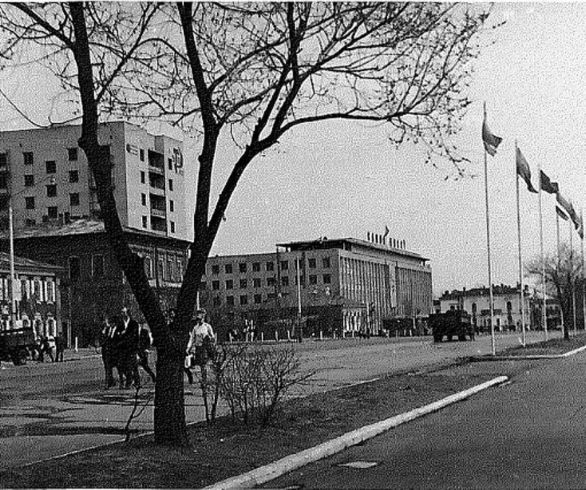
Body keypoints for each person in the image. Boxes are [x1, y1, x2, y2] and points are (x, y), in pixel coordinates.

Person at [186, 309, 216, 384]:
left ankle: (205, 379)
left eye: (201, 318)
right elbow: (192, 338)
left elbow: (212, 337)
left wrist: (210, 339)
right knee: (200, 364)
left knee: (204, 363)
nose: (199, 320)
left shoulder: (207, 326)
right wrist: (188, 348)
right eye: (198, 319)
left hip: (205, 347)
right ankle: (204, 377)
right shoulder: (195, 328)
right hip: (198, 348)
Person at [119, 306, 141, 388]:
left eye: (124, 312)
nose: (122, 314)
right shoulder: (121, 323)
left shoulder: (133, 323)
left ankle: (134, 382)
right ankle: (132, 380)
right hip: (123, 348)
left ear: (128, 313)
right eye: (122, 312)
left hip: (132, 347)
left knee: (132, 366)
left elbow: (133, 336)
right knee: (123, 365)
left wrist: (124, 334)